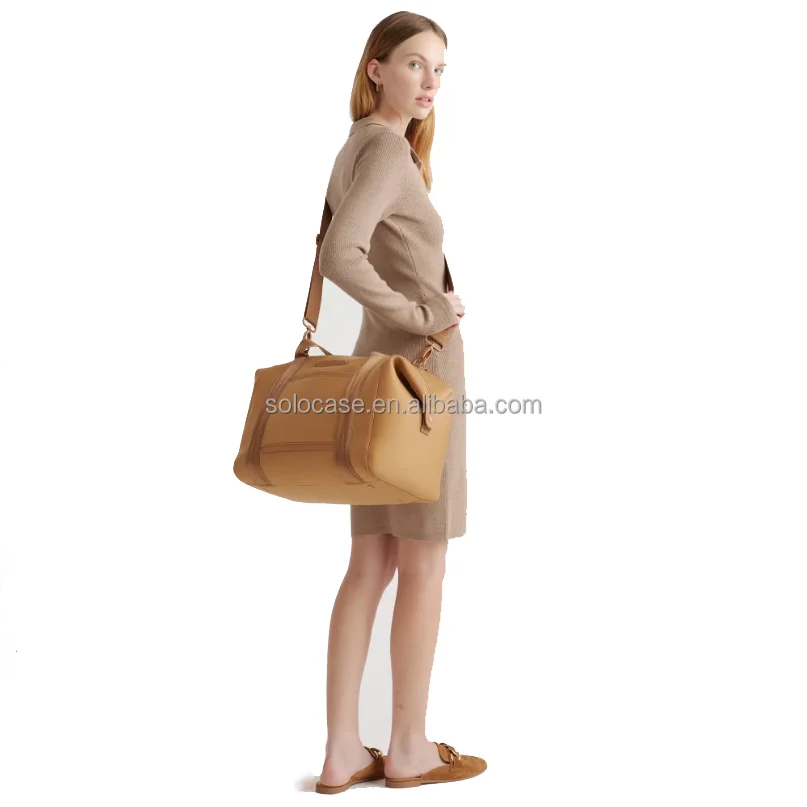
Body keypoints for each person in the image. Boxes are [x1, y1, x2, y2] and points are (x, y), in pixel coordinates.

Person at [313, 12, 486, 795]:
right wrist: (424, 312)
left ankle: (342, 751)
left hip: (375, 372)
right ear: (375, 67)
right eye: (415, 64)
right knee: (422, 561)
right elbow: (339, 254)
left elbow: (343, 251)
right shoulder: (386, 150)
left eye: (439, 69)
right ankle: (409, 748)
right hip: (419, 377)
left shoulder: (357, 145)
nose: (430, 82)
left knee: (369, 562)